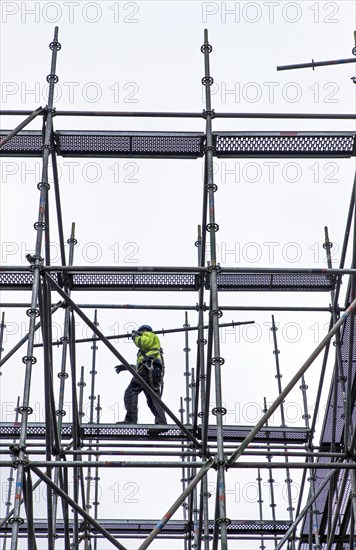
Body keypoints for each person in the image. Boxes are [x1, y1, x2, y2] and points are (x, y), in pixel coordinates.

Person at [115, 325, 168, 433]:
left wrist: (135, 336)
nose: (140, 333)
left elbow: (143, 342)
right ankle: (161, 423)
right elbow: (140, 367)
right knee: (153, 398)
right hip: (153, 371)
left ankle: (131, 419)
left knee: (131, 391)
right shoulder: (151, 351)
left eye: (141, 331)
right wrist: (126, 367)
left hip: (148, 370)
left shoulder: (148, 335)